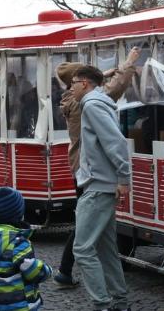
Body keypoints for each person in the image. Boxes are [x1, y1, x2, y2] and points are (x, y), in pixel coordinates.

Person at [52, 48, 138, 289]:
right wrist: (128, 64)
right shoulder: (88, 104)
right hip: (93, 172)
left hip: (83, 168)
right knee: (85, 233)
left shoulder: (71, 100)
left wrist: (102, 74)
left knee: (91, 229)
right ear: (79, 82)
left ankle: (66, 271)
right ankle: (71, 274)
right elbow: (113, 90)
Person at [71, 65, 131, 311]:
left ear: (84, 83)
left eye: (73, 83)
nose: (71, 88)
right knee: (106, 250)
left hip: (98, 186)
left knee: (82, 249)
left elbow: (114, 142)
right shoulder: (97, 103)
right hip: (102, 184)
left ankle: (102, 304)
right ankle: (119, 302)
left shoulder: (93, 105)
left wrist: (124, 178)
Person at [0, 187, 52, 311]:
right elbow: (31, 270)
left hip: (1, 303)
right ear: (18, 213)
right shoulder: (17, 242)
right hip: (22, 303)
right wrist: (46, 270)